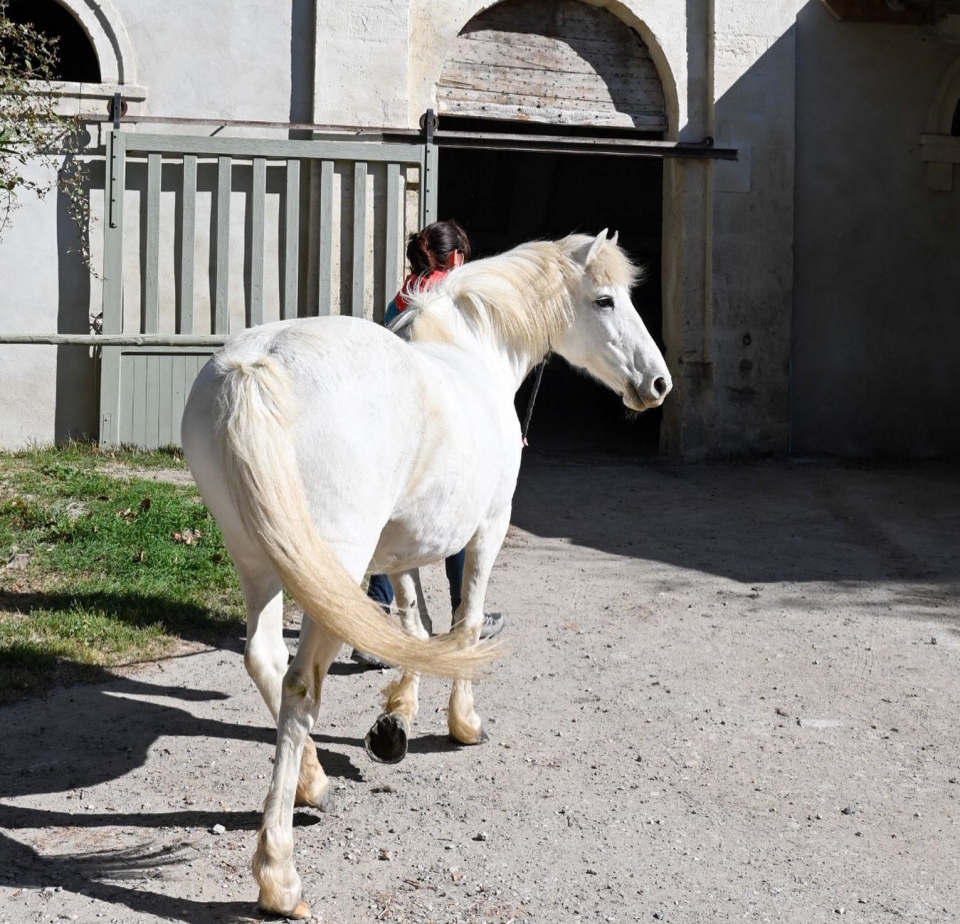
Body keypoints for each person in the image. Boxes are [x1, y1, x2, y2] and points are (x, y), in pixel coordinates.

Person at [352, 221, 505, 667]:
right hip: (446, 423)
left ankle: (373, 623)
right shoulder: (457, 300)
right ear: (456, 258)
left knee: (387, 520)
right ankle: (464, 616)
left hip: (390, 421)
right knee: (463, 508)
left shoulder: (399, 299)